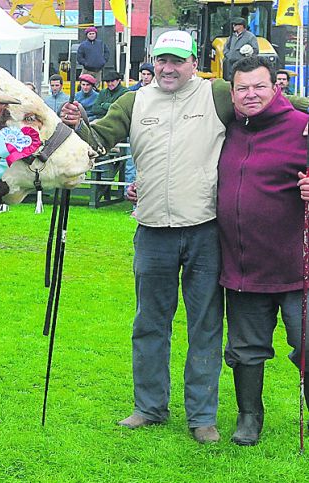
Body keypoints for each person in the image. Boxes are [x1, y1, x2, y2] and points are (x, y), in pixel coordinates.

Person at [60, 31, 236, 444]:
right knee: (149, 324)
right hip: (152, 230)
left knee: (206, 326)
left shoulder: (219, 95)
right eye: (162, 60)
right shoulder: (134, 100)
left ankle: (202, 417)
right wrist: (74, 124)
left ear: (194, 62)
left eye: (177, 60)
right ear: (152, 62)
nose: (168, 68)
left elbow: (271, 110)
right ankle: (149, 407)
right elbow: (98, 141)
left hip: (206, 229)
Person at [217, 56, 309, 445]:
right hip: (243, 267)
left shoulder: (303, 128)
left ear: (276, 87)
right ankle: (249, 417)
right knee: (245, 350)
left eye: (258, 86)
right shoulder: (226, 130)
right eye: (242, 87)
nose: (250, 94)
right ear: (232, 93)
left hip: (296, 268)